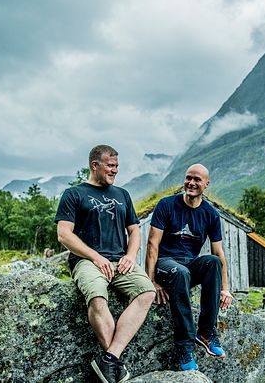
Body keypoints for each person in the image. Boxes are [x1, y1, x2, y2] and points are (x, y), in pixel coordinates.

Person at [55, 145, 155, 383]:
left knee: (147, 292)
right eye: (110, 165)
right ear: (94, 165)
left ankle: (110, 357)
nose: (115, 170)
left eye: (117, 166)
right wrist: (95, 257)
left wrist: (130, 256)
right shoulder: (74, 194)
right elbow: (64, 234)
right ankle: (115, 363)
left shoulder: (122, 195)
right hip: (87, 261)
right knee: (98, 297)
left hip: (120, 261)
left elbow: (135, 231)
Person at [145, 163, 234, 371]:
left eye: (197, 180)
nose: (191, 183)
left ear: (206, 184)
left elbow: (218, 253)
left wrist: (225, 288)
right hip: (166, 264)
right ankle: (185, 347)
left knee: (212, 262)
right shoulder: (166, 205)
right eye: (188, 178)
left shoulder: (210, 214)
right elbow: (152, 244)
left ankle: (206, 332)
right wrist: (152, 281)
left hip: (189, 265)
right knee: (181, 272)